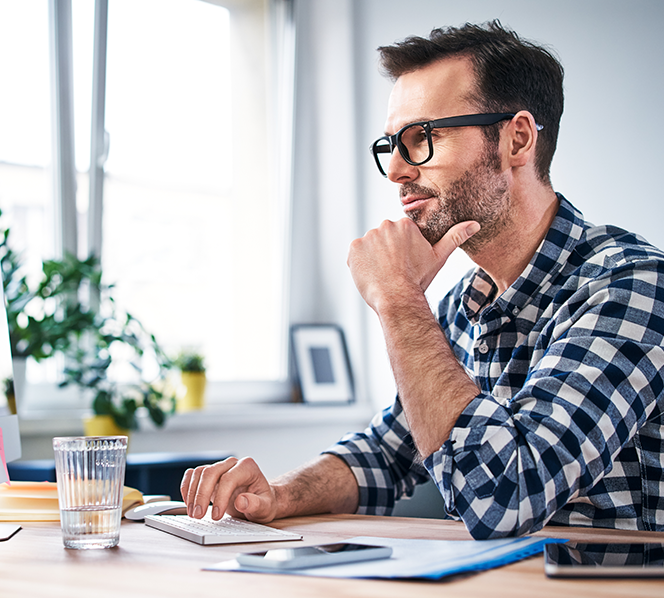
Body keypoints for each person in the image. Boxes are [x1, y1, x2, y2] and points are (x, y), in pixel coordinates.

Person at [181, 20, 664, 539]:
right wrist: (279, 495)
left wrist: (396, 297)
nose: (396, 170)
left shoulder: (630, 285)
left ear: (517, 139)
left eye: (422, 138)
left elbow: (506, 496)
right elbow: (386, 453)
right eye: (392, 143)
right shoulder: (465, 305)